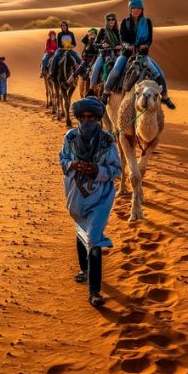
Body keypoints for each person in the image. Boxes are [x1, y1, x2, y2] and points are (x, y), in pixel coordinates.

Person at [59, 97, 121, 307]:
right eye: (83, 117)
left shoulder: (107, 141)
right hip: (76, 194)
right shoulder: (70, 137)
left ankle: (94, 292)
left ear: (97, 119)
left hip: (100, 197)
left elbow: (117, 170)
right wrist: (74, 164)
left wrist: (97, 170)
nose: (86, 121)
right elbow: (62, 160)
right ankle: (84, 269)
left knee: (93, 237)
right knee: (80, 229)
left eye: (91, 117)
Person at [101, 0, 175, 110]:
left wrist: (146, 45)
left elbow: (149, 39)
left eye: (138, 8)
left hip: (142, 54)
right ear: (130, 9)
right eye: (134, 8)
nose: (136, 10)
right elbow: (123, 38)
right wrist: (127, 46)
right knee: (115, 71)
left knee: (159, 74)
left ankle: (165, 96)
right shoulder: (125, 22)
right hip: (127, 54)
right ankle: (105, 93)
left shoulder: (147, 22)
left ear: (142, 9)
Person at [90, 13, 122, 93]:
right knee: (96, 68)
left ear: (115, 21)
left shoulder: (118, 31)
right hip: (104, 54)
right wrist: (102, 45)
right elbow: (95, 44)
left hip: (117, 55)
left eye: (113, 19)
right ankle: (91, 90)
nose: (111, 21)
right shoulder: (103, 31)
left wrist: (120, 46)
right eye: (109, 20)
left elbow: (123, 43)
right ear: (106, 21)